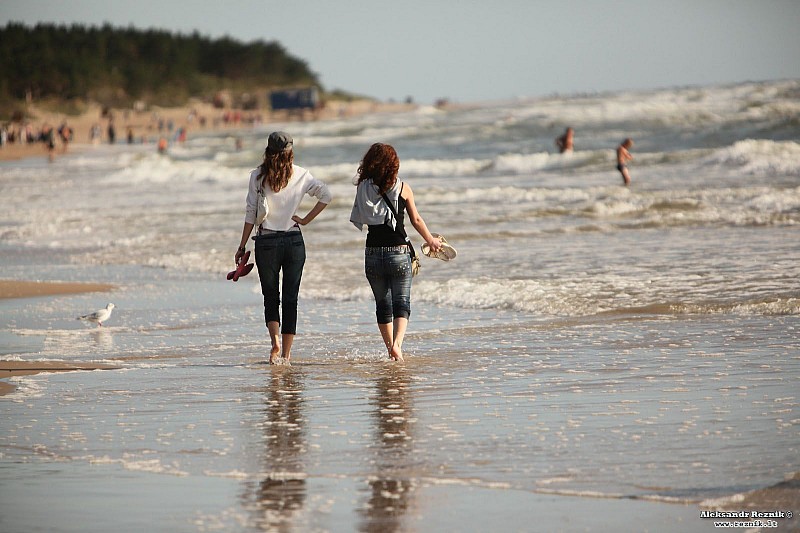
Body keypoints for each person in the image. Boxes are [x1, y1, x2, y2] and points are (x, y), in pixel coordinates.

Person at [235, 132, 331, 365]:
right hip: (294, 242)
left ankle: (274, 342)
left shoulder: (257, 176)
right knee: (291, 299)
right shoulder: (301, 174)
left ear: (268, 151)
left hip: (266, 243)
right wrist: (306, 220)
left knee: (271, 297)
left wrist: (242, 245)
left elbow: (250, 213)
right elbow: (327, 195)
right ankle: (287, 355)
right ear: (290, 151)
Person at [350, 143, 442, 362]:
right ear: (393, 165)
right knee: (402, 301)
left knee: (382, 304)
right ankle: (398, 345)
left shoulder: (362, 188)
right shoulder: (402, 187)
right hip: (399, 252)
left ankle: (390, 347)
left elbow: (361, 217)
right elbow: (416, 220)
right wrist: (431, 240)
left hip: (372, 253)